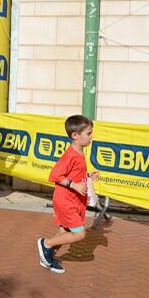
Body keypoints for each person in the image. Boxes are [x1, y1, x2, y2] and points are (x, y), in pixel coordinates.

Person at [37, 115, 99, 274]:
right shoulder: (70, 155)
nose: (92, 136)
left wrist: (87, 177)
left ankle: (48, 259)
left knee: (64, 232)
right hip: (66, 201)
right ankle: (46, 244)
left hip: (71, 200)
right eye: (89, 133)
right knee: (79, 234)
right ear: (75, 136)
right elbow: (55, 175)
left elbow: (73, 175)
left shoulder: (79, 153)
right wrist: (75, 185)